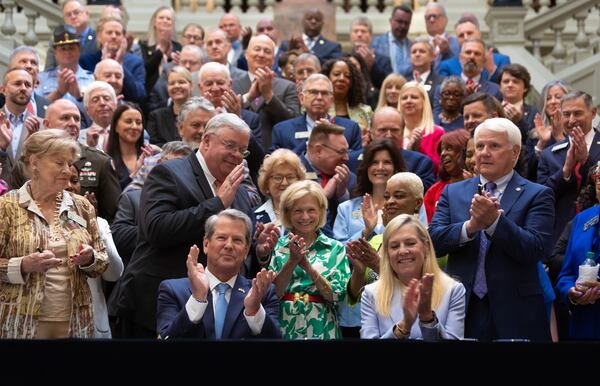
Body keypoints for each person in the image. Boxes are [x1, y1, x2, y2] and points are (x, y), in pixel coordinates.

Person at [110, 113, 256, 338]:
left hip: (214, 313)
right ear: (206, 141)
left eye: (242, 150)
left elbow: (242, 251)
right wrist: (217, 204)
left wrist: (261, 249)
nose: (237, 155)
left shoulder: (241, 193)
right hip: (154, 309)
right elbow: (157, 230)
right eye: (230, 146)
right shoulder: (168, 173)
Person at [429, 117, 554, 341]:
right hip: (463, 307)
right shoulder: (453, 192)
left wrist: (495, 223)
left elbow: (536, 249)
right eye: (479, 146)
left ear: (515, 152)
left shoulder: (538, 194)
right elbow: (433, 242)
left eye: (494, 146)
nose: (484, 153)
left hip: (516, 312)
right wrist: (470, 227)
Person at [0, 129, 108, 338]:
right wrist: (23, 265)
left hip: (77, 323)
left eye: (69, 163)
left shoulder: (81, 207)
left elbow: (102, 261)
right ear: (34, 163)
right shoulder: (7, 207)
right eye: (59, 163)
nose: (67, 170)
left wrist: (89, 258)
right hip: (19, 324)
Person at [156, 209, 282, 339]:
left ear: (246, 251)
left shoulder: (262, 293)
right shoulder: (173, 290)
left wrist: (254, 311)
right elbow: (166, 338)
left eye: (237, 240)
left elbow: (275, 339)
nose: (228, 245)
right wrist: (197, 299)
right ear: (206, 244)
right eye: (221, 237)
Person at [267, 180, 351, 339]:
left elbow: (337, 295)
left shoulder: (335, 248)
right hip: (285, 327)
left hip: (323, 328)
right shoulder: (278, 246)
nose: (305, 217)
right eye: (298, 210)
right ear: (288, 213)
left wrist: (308, 268)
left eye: (311, 210)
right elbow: (272, 294)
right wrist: (292, 262)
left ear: (321, 211)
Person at [360, 214, 465, 340]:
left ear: (426, 246)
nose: (403, 251)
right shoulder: (371, 293)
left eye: (410, 243)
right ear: (387, 253)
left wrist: (427, 318)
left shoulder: (453, 290)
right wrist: (404, 326)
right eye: (394, 246)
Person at [65, 164, 123, 338]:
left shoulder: (98, 222)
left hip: (91, 323)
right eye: (63, 179)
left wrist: (93, 226)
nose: (69, 185)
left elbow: (114, 274)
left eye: (74, 180)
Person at [537, 91, 600, 250]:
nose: (572, 120)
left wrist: (587, 161)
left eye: (577, 113)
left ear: (593, 113)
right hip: (561, 239)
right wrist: (565, 171)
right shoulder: (549, 154)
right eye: (566, 114)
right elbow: (542, 198)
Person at [556, 163, 600, 340]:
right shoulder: (583, 219)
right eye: (598, 178)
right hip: (584, 326)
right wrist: (571, 292)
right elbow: (565, 275)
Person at [270, 73, 362, 155]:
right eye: (313, 92)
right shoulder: (282, 130)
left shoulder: (350, 128)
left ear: (331, 100)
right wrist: (309, 142)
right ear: (302, 98)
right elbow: (275, 164)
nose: (319, 97)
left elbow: (355, 163)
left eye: (324, 93)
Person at [334, 139, 405, 243]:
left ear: (396, 168)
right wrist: (366, 232)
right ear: (366, 167)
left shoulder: (410, 204)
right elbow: (338, 251)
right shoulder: (345, 209)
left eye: (387, 162)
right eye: (374, 162)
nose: (380, 167)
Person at [106, 103, 156, 190]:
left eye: (138, 122)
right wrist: (135, 173)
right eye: (128, 122)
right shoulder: (106, 160)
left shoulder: (152, 155)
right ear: (115, 127)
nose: (134, 127)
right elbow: (114, 195)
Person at [423, 129, 470, 222]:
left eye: (449, 148)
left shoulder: (480, 184)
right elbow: (427, 226)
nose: (443, 154)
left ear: (464, 151)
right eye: (441, 150)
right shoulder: (433, 191)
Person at [398, 81, 445, 174]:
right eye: (404, 98)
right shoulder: (394, 133)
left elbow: (440, 168)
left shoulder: (437, 133)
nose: (408, 100)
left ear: (424, 101)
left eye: (414, 97)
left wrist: (418, 150)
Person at [254, 149, 306, 231]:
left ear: (299, 180)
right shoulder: (253, 215)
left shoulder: (312, 211)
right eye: (278, 178)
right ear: (266, 182)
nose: (284, 183)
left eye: (290, 177)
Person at [322, 57, 373, 134]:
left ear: (352, 82)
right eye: (336, 74)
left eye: (347, 76)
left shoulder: (365, 112)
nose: (342, 78)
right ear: (327, 77)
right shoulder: (317, 108)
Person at [147, 66, 193, 147]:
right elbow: (153, 145)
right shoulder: (156, 117)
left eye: (181, 82)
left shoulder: (201, 115)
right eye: (172, 83)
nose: (176, 86)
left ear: (191, 86)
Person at [370, 5, 413, 77]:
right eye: (399, 21)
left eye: (406, 23)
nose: (403, 26)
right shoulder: (375, 43)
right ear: (390, 21)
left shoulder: (413, 47)